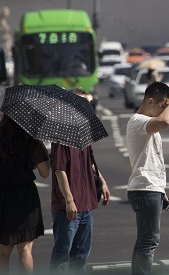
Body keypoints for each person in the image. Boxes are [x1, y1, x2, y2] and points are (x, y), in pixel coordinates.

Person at [125, 82, 169, 275]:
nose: (164, 110)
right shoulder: (138, 121)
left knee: (145, 240)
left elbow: (154, 160)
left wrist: (160, 189)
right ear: (150, 101)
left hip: (149, 188)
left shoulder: (145, 124)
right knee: (149, 241)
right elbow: (166, 122)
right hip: (144, 188)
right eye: (163, 105)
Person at [50, 88, 111, 274]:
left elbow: (90, 162)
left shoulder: (84, 132)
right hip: (69, 207)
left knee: (81, 255)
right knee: (62, 255)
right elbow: (59, 169)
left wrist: (103, 181)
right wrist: (69, 200)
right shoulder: (62, 133)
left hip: (86, 203)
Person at [0, 116, 50, 273]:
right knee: (25, 250)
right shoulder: (32, 144)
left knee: (3, 252)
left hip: (2, 195)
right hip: (25, 197)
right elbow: (45, 173)